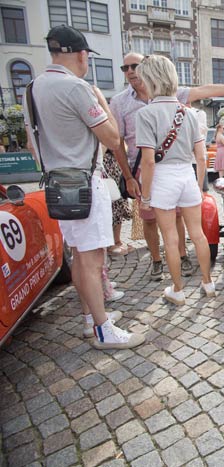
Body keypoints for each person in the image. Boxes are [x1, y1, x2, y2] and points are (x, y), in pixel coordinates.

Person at [23, 25, 144, 349]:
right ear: (81, 54)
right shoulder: (76, 88)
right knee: (92, 259)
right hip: (83, 180)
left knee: (79, 255)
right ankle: (104, 330)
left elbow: (32, 145)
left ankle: (92, 317)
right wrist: (103, 104)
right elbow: (112, 137)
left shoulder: (32, 88)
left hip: (56, 182)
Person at [110, 52, 224, 281]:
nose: (130, 71)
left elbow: (204, 89)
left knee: (174, 223)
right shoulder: (120, 102)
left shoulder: (168, 94)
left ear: (148, 71)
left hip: (160, 171)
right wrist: (128, 176)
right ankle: (161, 263)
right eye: (125, 68)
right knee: (150, 220)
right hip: (144, 169)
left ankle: (179, 272)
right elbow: (118, 142)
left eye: (134, 66)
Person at [135, 55, 215, 305]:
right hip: (187, 175)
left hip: (163, 178)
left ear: (150, 80)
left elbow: (148, 162)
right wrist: (200, 185)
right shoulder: (189, 114)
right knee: (198, 234)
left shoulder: (146, 114)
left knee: (169, 237)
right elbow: (201, 158)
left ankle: (178, 291)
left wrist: (145, 197)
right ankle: (207, 283)